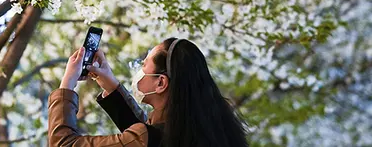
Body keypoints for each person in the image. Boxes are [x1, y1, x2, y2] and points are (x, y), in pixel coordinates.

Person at [48, 37, 251, 146]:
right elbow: (152, 135)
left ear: (161, 83)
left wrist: (66, 85)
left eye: (143, 65)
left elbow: (63, 144)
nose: (139, 71)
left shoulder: (152, 137)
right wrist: (109, 83)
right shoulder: (204, 128)